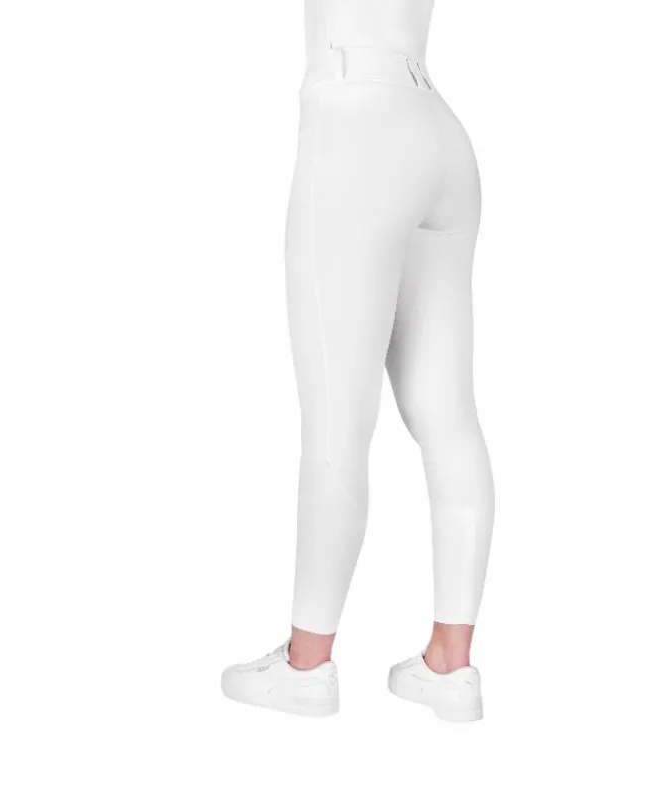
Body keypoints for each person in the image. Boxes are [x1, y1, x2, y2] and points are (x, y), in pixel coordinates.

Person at [221, 0, 495, 722]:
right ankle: (450, 665)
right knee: (448, 414)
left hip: (357, 121)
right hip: (437, 129)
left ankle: (306, 666)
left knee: (337, 418)